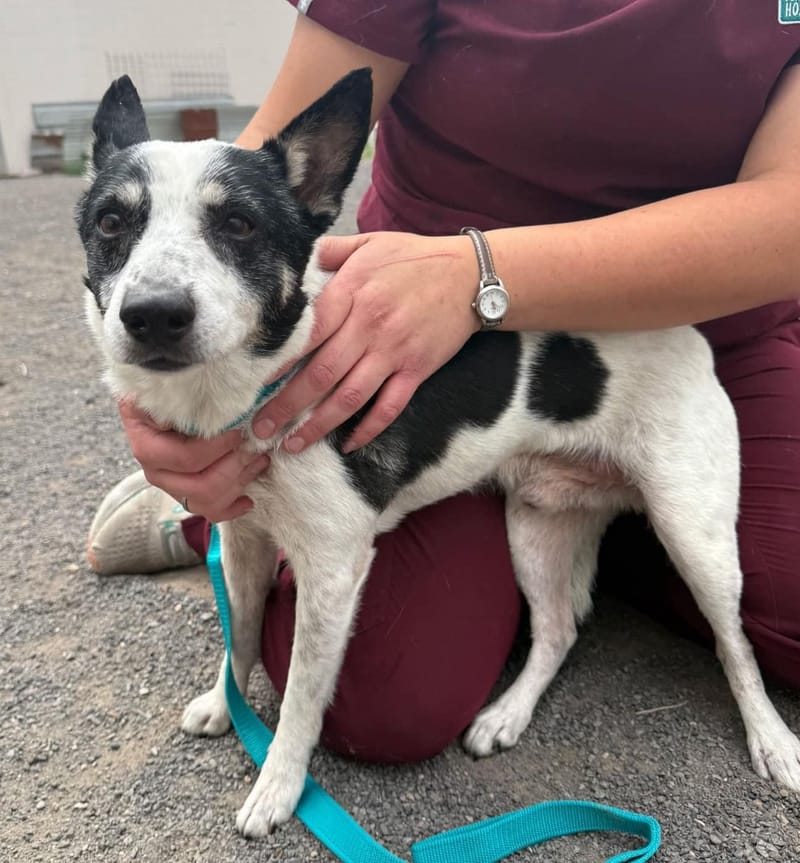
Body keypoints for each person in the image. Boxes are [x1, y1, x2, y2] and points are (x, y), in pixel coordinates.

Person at [88, 3, 800, 762]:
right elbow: (261, 170)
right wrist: (180, 413)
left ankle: (619, 521)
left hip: (688, 338)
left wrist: (483, 274)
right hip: (420, 333)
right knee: (384, 701)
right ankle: (213, 510)